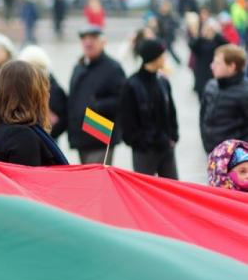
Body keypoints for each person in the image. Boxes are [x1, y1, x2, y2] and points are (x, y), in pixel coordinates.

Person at [0, 60, 69, 167]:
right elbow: (29, 182)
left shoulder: (5, 129)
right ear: (30, 96)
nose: (47, 95)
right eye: (42, 90)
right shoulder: (22, 137)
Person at [118, 39, 179, 179]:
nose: (165, 58)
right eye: (162, 55)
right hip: (144, 150)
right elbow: (127, 120)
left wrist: (173, 136)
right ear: (154, 57)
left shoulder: (163, 81)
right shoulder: (132, 84)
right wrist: (140, 141)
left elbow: (171, 112)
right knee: (144, 192)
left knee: (173, 190)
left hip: (166, 147)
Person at [66, 25, 125, 164]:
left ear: (103, 42)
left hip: (100, 133)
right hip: (81, 136)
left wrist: (96, 106)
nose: (88, 42)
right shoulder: (79, 67)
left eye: (92, 38)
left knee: (97, 181)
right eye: (84, 39)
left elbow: (122, 100)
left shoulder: (113, 68)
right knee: (87, 181)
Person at [199, 44, 248, 154]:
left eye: (217, 63)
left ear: (232, 67)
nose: (212, 66)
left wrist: (238, 152)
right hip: (213, 155)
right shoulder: (211, 85)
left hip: (236, 159)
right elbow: (203, 117)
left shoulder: (245, 92)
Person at [18, 45, 67, 139]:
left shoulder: (53, 88)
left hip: (48, 136)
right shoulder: (18, 88)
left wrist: (51, 130)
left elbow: (62, 116)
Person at [189, 17, 229, 96]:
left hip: (214, 69)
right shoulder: (201, 40)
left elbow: (226, 45)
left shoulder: (217, 39)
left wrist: (216, 34)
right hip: (202, 70)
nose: (209, 30)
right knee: (201, 94)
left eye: (211, 29)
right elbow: (192, 46)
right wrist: (202, 35)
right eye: (208, 28)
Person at [155, 1, 182, 65]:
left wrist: (170, 27)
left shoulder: (171, 16)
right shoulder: (159, 16)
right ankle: (177, 61)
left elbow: (176, 25)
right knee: (166, 49)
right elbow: (157, 26)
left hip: (169, 36)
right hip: (161, 36)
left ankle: (177, 61)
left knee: (168, 49)